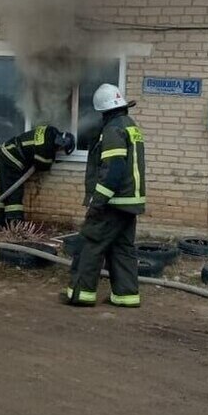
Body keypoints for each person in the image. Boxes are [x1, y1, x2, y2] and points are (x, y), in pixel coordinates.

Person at [63, 83, 146, 307]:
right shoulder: (131, 126)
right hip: (130, 203)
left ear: (104, 111)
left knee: (90, 243)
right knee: (122, 248)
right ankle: (126, 295)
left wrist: (97, 203)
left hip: (113, 202)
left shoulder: (113, 130)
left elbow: (113, 170)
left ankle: (81, 293)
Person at [0, 125, 75, 226]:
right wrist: (52, 156)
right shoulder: (46, 148)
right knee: (14, 191)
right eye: (61, 149)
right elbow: (43, 166)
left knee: (4, 189)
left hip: (6, 150)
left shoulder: (50, 130)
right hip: (11, 157)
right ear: (61, 142)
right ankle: (15, 223)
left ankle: (0, 220)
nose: (59, 151)